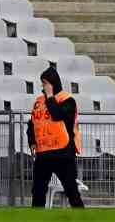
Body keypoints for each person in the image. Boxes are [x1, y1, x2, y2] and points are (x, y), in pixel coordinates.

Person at [29, 65, 84, 208]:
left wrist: (50, 97)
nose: (43, 86)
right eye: (43, 83)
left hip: (63, 153)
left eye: (46, 83)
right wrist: (32, 141)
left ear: (53, 83)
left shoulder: (67, 100)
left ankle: (83, 221)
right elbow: (33, 123)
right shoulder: (39, 101)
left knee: (71, 190)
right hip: (43, 154)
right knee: (38, 191)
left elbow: (57, 115)